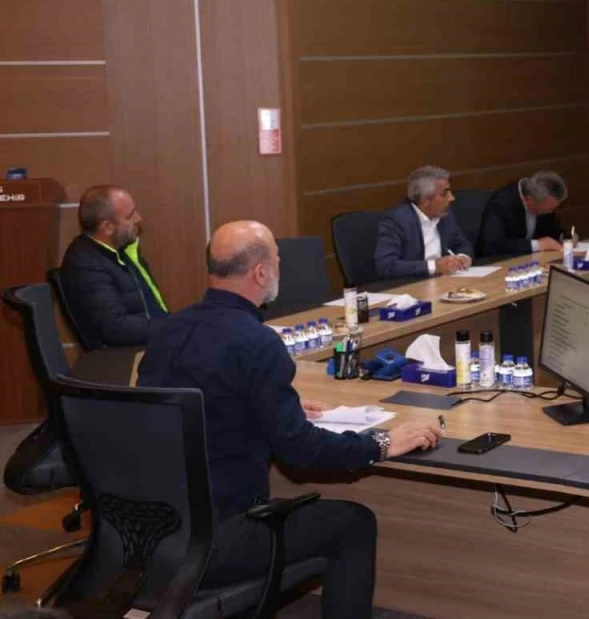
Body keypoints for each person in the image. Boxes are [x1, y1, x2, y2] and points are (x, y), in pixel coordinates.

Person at [138, 221, 441, 619]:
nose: (280, 267)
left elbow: (198, 401)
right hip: (216, 540)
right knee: (354, 523)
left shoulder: (169, 329)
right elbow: (302, 450)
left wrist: (274, 406)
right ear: (260, 273)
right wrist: (383, 443)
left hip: (146, 533)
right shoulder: (257, 342)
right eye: (277, 260)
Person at [58, 185, 168, 349]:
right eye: (130, 216)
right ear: (108, 227)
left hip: (153, 342)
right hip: (127, 354)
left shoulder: (121, 251)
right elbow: (116, 329)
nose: (139, 218)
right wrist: (175, 327)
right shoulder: (85, 265)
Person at [373, 166, 474, 281]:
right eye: (444, 194)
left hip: (444, 281)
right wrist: (435, 266)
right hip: (411, 285)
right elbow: (386, 266)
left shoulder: (444, 214)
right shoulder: (396, 221)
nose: (451, 198)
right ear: (426, 201)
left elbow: (462, 244)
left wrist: (463, 257)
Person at [475, 171, 567, 259]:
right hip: (499, 261)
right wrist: (538, 245)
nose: (551, 212)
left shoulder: (543, 198)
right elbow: (492, 245)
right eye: (550, 208)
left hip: (533, 260)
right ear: (530, 200)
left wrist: (564, 238)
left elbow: (552, 230)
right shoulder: (500, 203)